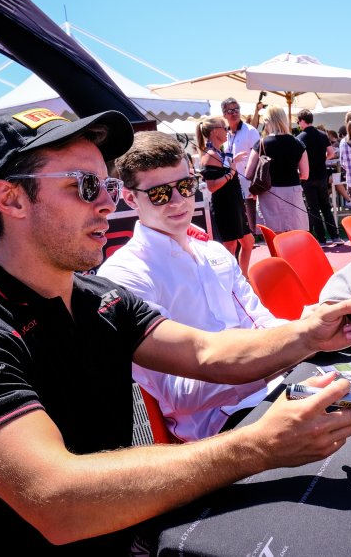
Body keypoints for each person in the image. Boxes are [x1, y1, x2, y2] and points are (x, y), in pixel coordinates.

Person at [0, 108, 351, 555]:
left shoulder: (99, 297)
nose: (108, 203)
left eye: (106, 184)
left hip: (133, 532)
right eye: (85, 185)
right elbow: (58, 500)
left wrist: (310, 334)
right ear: (11, 198)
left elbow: (207, 353)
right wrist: (258, 446)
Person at [98, 131, 283, 442]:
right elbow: (180, 394)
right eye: (159, 193)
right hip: (220, 427)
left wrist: (310, 335)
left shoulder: (213, 252)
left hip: (272, 392)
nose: (178, 201)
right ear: (130, 198)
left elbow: (260, 321)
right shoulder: (125, 276)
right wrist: (284, 354)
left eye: (185, 186)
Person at [194, 116, 255, 276]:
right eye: (224, 128)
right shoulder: (210, 155)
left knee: (248, 241)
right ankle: (232, 281)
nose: (228, 131)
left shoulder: (218, 153)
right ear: (215, 131)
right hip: (225, 206)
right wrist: (231, 173)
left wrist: (233, 163)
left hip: (234, 203)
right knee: (230, 247)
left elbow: (223, 172)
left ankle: (243, 277)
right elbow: (212, 186)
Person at [245, 105, 309, 234]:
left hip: (269, 192)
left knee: (273, 236)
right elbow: (305, 174)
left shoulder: (261, 143)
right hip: (292, 192)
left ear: (268, 121)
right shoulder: (298, 144)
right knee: (294, 234)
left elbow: (248, 173)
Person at [296, 109, 343, 246]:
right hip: (322, 175)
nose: (298, 124)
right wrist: (323, 159)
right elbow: (331, 153)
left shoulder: (300, 138)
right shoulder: (322, 134)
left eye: (298, 122)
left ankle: (321, 239)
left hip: (307, 176)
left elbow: (298, 159)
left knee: (314, 209)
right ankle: (335, 236)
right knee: (326, 207)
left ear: (302, 121)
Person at [221, 98, 260, 237]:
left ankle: (255, 238)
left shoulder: (250, 131)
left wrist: (256, 183)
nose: (234, 113)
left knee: (253, 220)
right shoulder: (225, 134)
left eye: (236, 109)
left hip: (249, 183)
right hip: (233, 183)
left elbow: (260, 157)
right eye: (230, 110)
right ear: (224, 114)